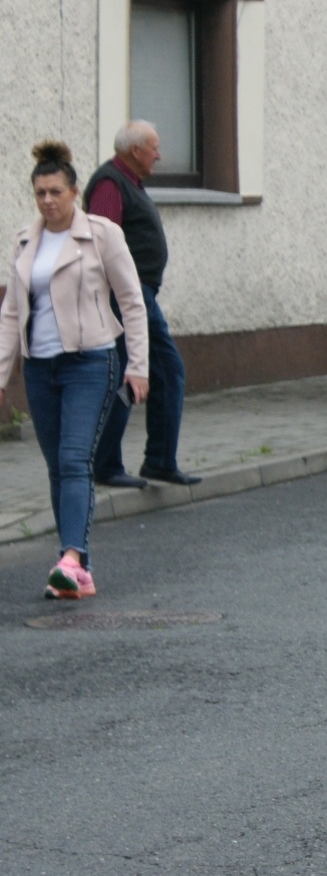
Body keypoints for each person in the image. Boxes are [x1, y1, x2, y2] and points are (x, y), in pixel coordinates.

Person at [1, 141, 149, 598]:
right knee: (55, 467)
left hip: (90, 361)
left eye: (56, 192)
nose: (48, 201)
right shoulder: (27, 240)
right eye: (40, 193)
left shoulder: (101, 234)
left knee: (73, 459)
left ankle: (70, 559)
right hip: (40, 367)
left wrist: (139, 365)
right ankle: (76, 567)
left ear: (74, 191)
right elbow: (11, 313)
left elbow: (132, 301)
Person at [84, 120, 200, 488]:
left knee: (158, 373)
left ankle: (157, 461)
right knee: (133, 374)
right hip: (125, 298)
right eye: (154, 147)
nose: (160, 155)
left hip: (138, 296)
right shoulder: (109, 183)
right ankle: (109, 464)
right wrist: (117, 296)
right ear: (135, 151)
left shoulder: (128, 183)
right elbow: (99, 241)